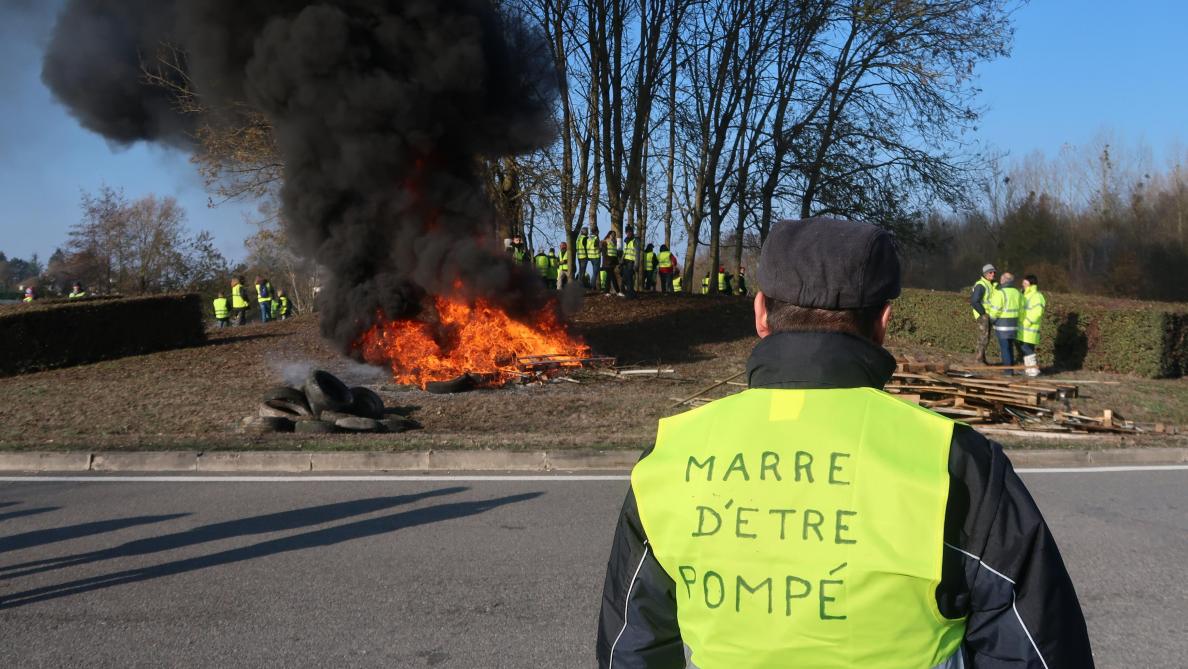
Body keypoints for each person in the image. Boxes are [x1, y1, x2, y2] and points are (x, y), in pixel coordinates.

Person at [596, 218, 1093, 669]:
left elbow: (630, 649)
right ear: (882, 322)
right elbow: (1037, 650)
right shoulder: (956, 462)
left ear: (761, 313)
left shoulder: (671, 457)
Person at [989, 272, 1022, 374]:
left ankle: (1008, 372)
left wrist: (992, 319)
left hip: (1002, 325)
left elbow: (995, 310)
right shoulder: (1018, 293)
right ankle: (1010, 369)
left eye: (1001, 278)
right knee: (1010, 347)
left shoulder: (1000, 293)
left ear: (1003, 280)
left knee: (1004, 348)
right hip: (1015, 324)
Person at [1018, 274, 1046, 377]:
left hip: (1030, 328)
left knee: (1026, 348)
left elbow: (1038, 312)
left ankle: (1033, 369)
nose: (1023, 284)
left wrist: (1027, 321)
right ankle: (1029, 370)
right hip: (1024, 328)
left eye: (1025, 283)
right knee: (1026, 348)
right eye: (1023, 282)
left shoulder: (1037, 296)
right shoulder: (1024, 294)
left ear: (1031, 284)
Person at [970, 264, 998, 364]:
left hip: (986, 314)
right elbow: (974, 301)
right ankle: (978, 359)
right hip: (982, 315)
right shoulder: (981, 285)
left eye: (994, 272)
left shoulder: (990, 284)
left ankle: (981, 358)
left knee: (985, 337)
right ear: (985, 274)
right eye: (990, 272)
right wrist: (983, 314)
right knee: (983, 338)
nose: (993, 274)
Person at [603, 229, 622, 295]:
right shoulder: (606, 241)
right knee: (613, 277)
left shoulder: (615, 242)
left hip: (613, 262)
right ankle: (618, 291)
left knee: (609, 277)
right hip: (608, 262)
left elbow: (616, 252)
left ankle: (606, 291)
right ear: (609, 235)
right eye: (612, 235)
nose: (613, 236)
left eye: (614, 235)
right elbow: (604, 252)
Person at [621, 226, 638, 298]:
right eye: (627, 232)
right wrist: (622, 259)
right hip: (625, 262)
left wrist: (636, 264)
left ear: (632, 232)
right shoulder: (626, 241)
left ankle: (630, 294)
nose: (628, 233)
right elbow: (625, 251)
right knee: (625, 278)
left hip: (631, 262)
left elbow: (637, 253)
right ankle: (631, 292)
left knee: (629, 278)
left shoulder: (635, 241)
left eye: (629, 232)